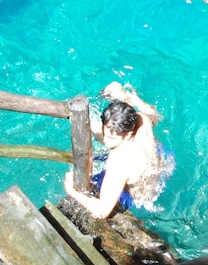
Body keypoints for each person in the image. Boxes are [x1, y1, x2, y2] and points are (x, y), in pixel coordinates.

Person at [64, 82, 172, 218]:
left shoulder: (119, 162)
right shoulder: (142, 119)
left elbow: (102, 211)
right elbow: (154, 114)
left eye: (111, 138)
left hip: (136, 195)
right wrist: (134, 99)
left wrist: (73, 192)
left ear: (127, 134)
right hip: (161, 164)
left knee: (89, 188)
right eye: (106, 134)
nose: (106, 141)